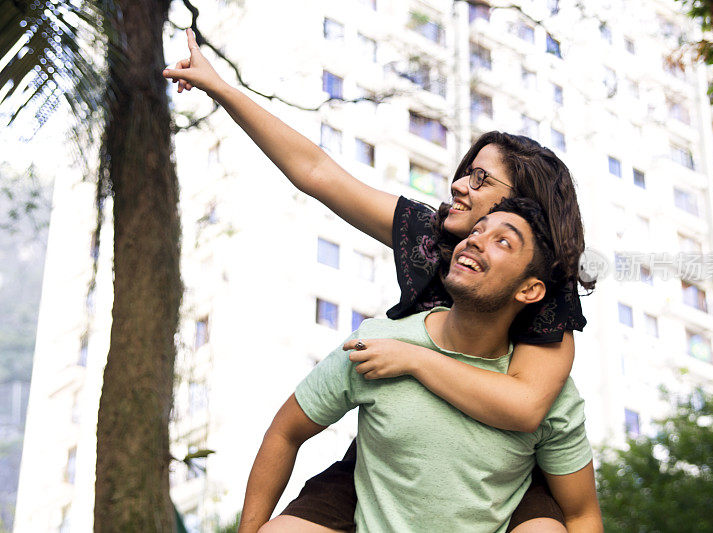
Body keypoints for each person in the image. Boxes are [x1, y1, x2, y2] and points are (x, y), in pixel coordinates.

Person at [163, 29, 593, 531]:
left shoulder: (548, 305)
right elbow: (317, 171)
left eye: (481, 180)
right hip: (394, 454)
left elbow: (524, 408)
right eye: (464, 172)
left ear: (525, 207)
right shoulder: (429, 237)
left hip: (498, 470)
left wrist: (413, 360)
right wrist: (222, 89)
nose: (458, 184)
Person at [240, 199, 602, 533]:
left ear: (529, 290)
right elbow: (285, 431)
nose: (475, 241)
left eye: (503, 242)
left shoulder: (546, 394)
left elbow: (581, 514)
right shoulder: (378, 341)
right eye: (476, 230)